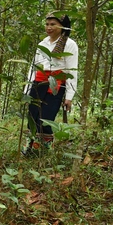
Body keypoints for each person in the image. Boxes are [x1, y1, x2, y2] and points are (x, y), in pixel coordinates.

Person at [22, 14, 78, 156]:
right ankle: (29, 149)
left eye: (53, 24)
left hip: (56, 84)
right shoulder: (42, 44)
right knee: (32, 117)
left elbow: (72, 70)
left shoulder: (70, 44)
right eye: (47, 24)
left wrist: (69, 96)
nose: (49, 27)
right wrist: (27, 90)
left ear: (62, 26)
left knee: (46, 119)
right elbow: (34, 66)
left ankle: (44, 151)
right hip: (38, 83)